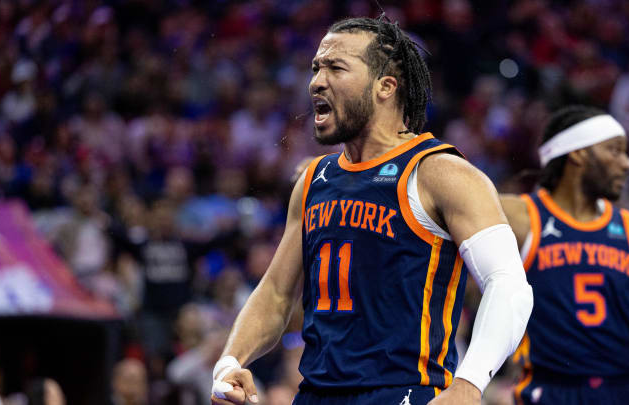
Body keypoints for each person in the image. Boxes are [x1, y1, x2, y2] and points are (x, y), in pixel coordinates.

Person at [211, 16, 533, 405]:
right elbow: (277, 293)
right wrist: (229, 362)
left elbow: (509, 286)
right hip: (315, 394)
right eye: (316, 67)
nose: (316, 81)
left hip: (405, 392)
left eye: (335, 67)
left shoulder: (440, 172)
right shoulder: (315, 179)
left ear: (385, 86)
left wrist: (468, 384)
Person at [500, 105, 629, 404]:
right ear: (578, 153)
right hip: (551, 390)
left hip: (621, 390)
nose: (626, 163)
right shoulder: (519, 217)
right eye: (614, 150)